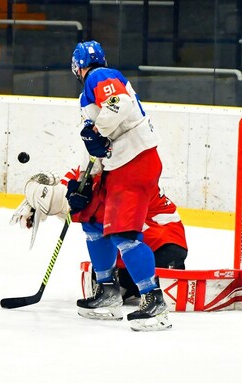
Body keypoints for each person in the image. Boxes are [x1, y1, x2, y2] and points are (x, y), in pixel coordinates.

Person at [69, 40, 171, 331]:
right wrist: (85, 182)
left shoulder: (98, 76)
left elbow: (119, 104)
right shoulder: (92, 87)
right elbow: (99, 146)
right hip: (120, 165)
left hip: (135, 163)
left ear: (77, 65)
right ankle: (108, 293)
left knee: (125, 235)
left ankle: (154, 302)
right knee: (92, 220)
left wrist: (97, 130)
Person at [11, 168, 187, 320]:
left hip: (164, 241)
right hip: (144, 232)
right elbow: (57, 188)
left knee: (119, 265)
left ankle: (154, 286)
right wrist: (33, 203)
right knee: (102, 277)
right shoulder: (79, 181)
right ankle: (131, 283)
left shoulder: (110, 183)